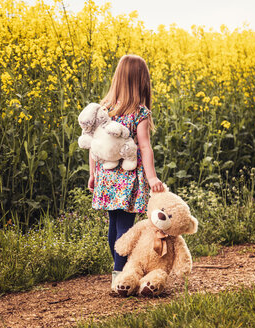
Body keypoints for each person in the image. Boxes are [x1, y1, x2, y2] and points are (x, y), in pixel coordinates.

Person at [87, 54, 164, 290]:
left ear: (118, 78)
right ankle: (121, 275)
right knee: (126, 228)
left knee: (114, 225)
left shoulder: (104, 109)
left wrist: (93, 174)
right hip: (128, 179)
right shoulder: (139, 112)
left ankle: (118, 271)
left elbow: (94, 146)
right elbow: (144, 147)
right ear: (142, 81)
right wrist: (151, 178)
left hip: (107, 177)